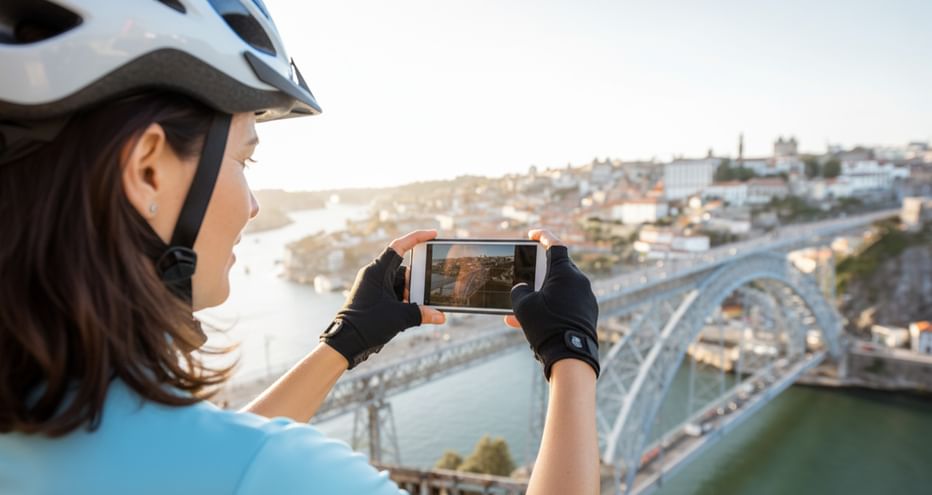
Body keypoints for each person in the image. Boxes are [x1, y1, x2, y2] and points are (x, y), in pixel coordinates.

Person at [0, 1, 601, 494]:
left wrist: (344, 342)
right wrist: (571, 352)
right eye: (244, 159)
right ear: (148, 171)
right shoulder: (284, 474)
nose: (254, 205)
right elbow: (237, 469)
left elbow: (207, 468)